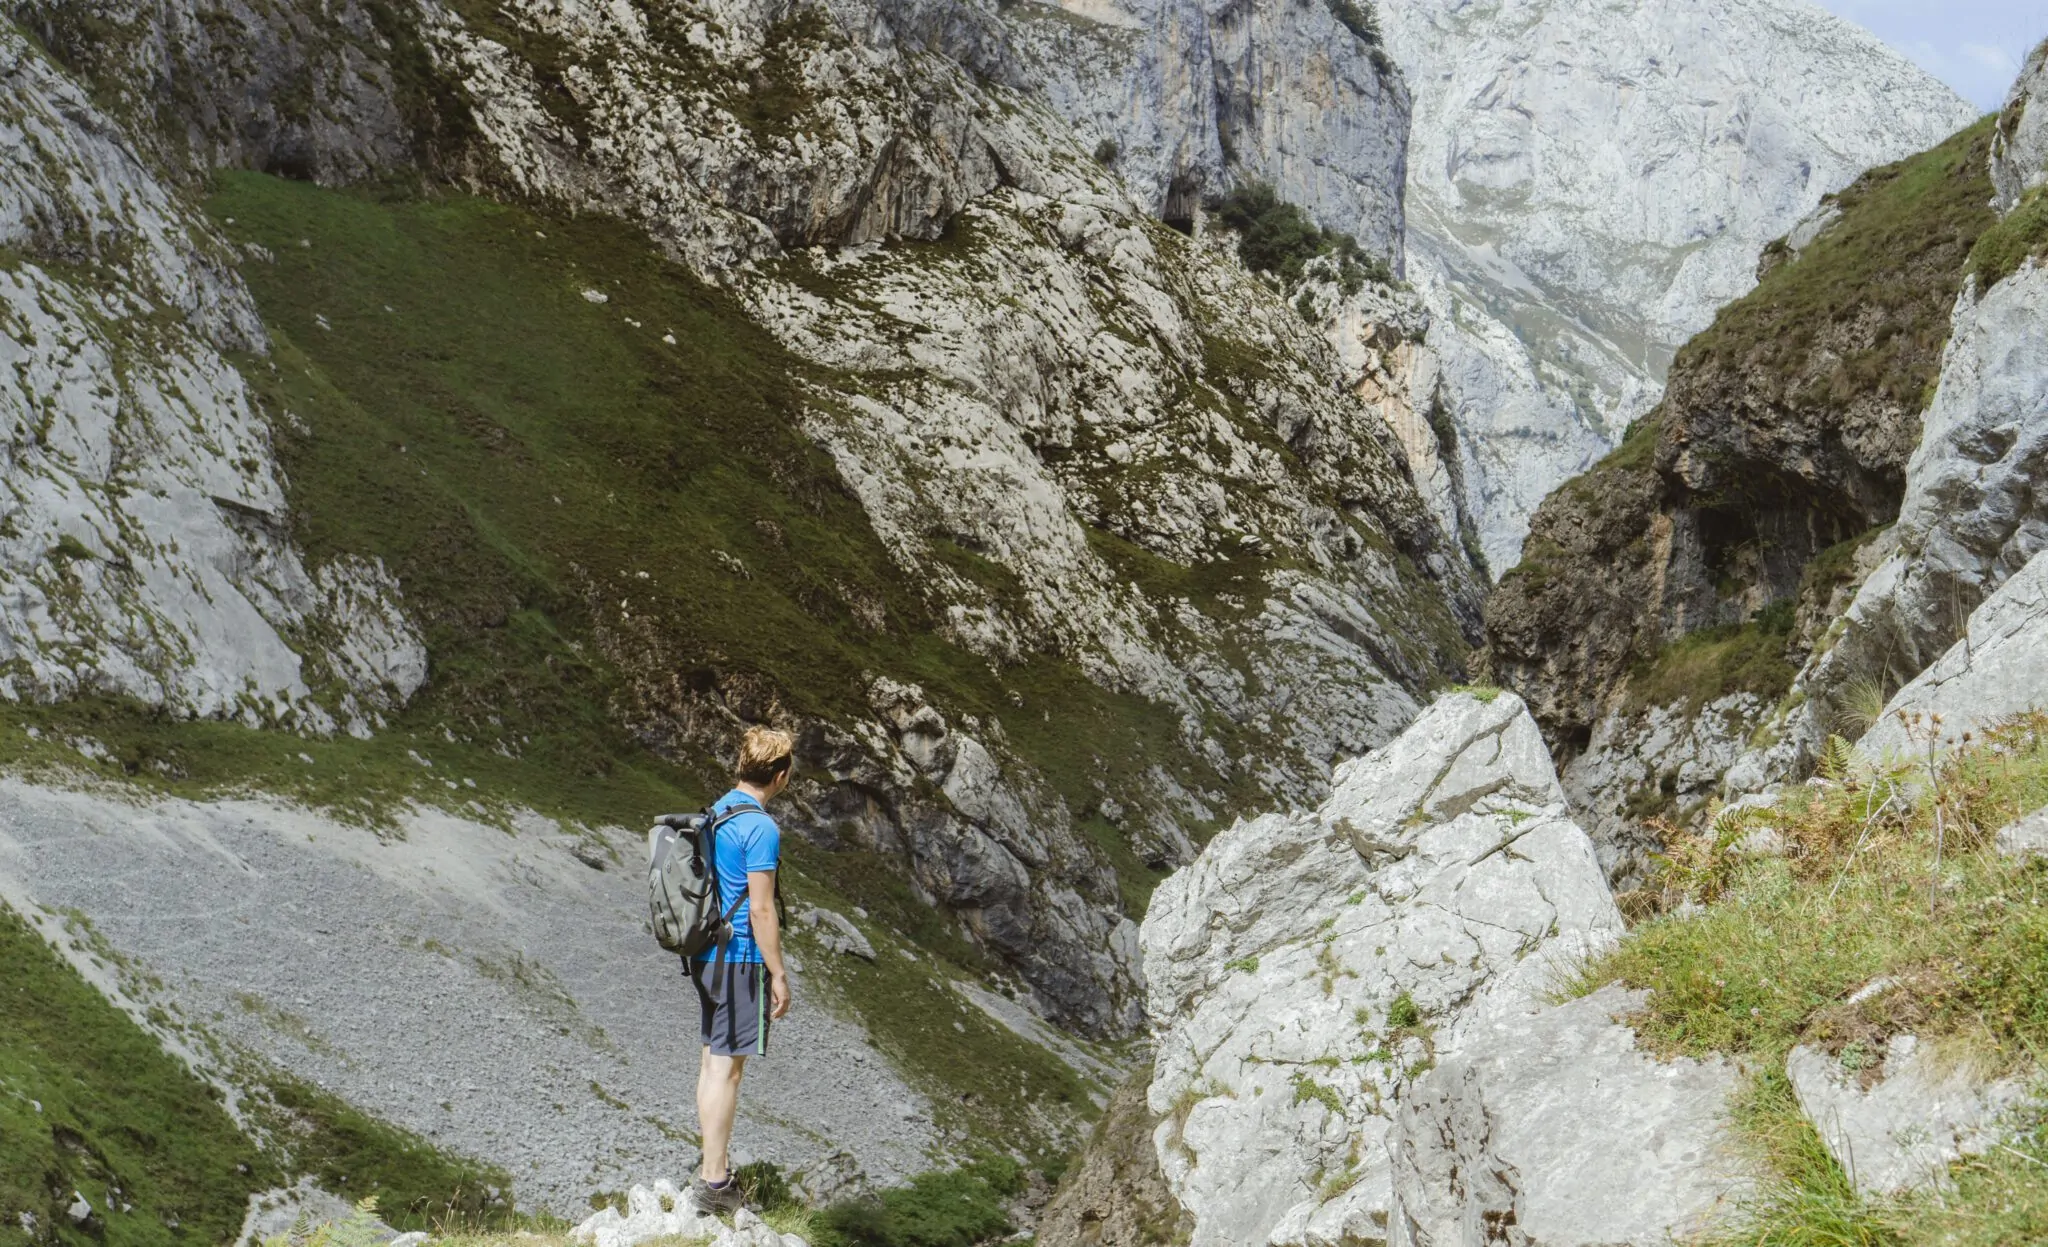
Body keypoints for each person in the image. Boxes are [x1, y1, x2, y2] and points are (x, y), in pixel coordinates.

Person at [688, 725, 796, 1215]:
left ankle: (715, 1167)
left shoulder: (717, 810)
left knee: (713, 1062)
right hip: (741, 958)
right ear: (780, 775)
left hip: (707, 954)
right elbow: (761, 910)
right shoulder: (762, 827)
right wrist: (777, 973)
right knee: (728, 1072)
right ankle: (715, 1184)